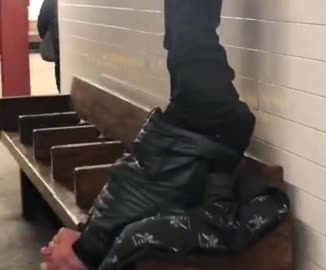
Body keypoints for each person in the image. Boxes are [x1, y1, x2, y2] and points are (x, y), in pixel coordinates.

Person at [39, 1, 281, 270]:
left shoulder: (98, 235)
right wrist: (221, 169)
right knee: (190, 37)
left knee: (180, 37)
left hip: (181, 128)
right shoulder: (125, 245)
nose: (46, 252)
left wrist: (80, 237)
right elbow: (215, 222)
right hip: (205, 132)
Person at [37, 0, 60, 91]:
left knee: (62, 80)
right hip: (82, 51)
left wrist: (50, 37)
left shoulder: (50, 1)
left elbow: (41, 25)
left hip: (58, 48)